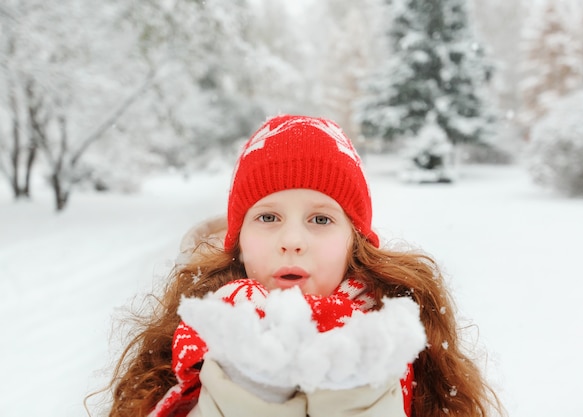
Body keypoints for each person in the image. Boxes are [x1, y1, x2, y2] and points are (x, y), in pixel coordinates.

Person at [101, 115, 502, 417]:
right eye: (268, 218)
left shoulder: (396, 335)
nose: (292, 241)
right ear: (238, 239)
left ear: (355, 241)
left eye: (321, 219)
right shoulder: (197, 333)